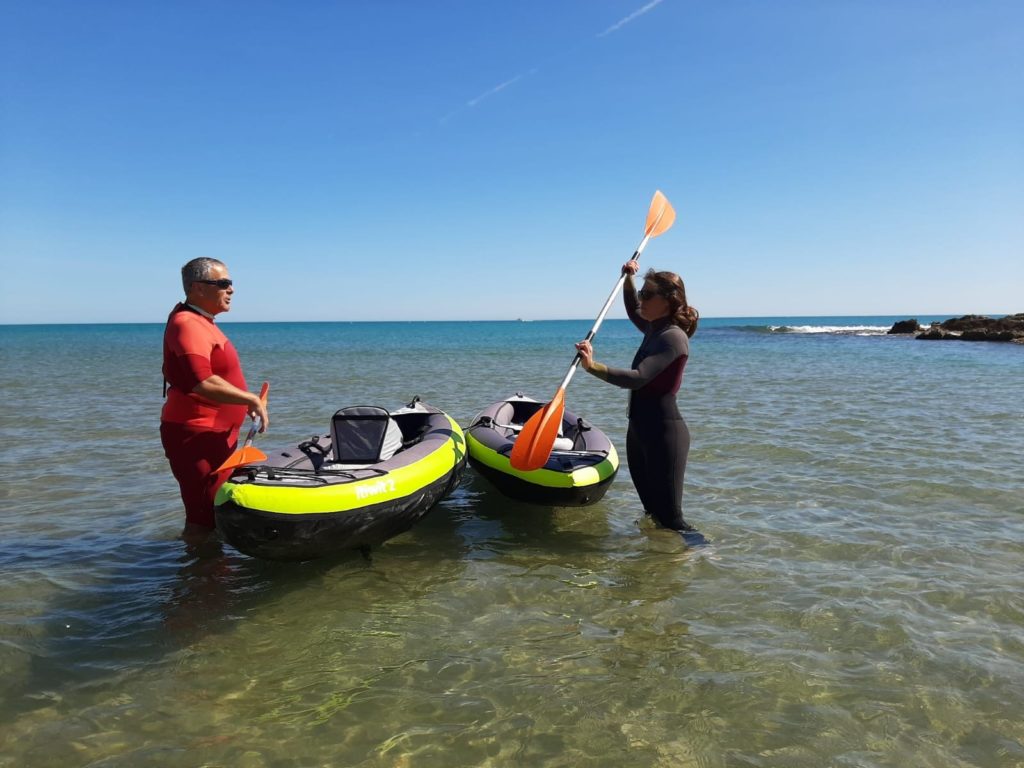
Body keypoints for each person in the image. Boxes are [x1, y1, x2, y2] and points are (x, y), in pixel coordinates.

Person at [575, 260, 702, 540]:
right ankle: (654, 569)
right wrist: (628, 279)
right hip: (639, 431)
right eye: (642, 293)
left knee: (671, 519)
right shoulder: (655, 329)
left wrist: (593, 367)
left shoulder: (672, 338)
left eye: (647, 294)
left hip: (664, 434)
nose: (640, 300)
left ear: (669, 301)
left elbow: (638, 378)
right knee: (651, 514)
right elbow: (634, 310)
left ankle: (701, 559)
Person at [161, 257, 269, 537]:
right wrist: (250, 399)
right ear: (197, 288)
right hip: (196, 435)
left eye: (230, 283)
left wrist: (241, 402)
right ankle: (201, 576)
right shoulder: (187, 323)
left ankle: (212, 572)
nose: (231, 289)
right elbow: (201, 381)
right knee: (202, 517)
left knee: (213, 511)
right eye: (223, 283)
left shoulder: (202, 321)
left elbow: (214, 377)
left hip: (214, 435)